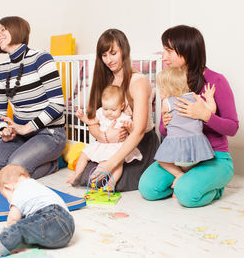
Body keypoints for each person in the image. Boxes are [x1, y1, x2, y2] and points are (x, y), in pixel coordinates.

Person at [138, 25, 239, 207]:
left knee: (186, 195)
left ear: (186, 50)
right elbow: (167, 133)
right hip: (179, 156)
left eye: (169, 51)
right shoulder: (170, 83)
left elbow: (232, 127)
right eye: (164, 50)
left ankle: (214, 188)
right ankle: (185, 181)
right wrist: (165, 123)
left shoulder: (216, 81)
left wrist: (205, 115)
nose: (164, 56)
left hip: (214, 157)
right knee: (148, 188)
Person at [0, 16, 66, 179]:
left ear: (17, 29)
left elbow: (57, 105)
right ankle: (32, 161)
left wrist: (28, 127)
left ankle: (54, 164)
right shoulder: (0, 71)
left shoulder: (41, 58)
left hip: (49, 133)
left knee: (15, 167)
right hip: (19, 134)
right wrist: (3, 130)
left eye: (2, 29)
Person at [75, 29, 160, 192]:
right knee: (88, 178)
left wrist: (110, 163)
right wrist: (103, 136)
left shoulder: (138, 82)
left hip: (138, 144)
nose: (108, 60)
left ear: (124, 51)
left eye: (113, 53)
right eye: (104, 55)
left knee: (110, 178)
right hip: (111, 142)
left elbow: (139, 131)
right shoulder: (106, 80)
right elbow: (93, 118)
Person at [0, 164, 75, 257]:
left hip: (52, 220)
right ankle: (6, 236)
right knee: (29, 228)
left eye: (6, 197)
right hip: (68, 227)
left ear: (8, 187)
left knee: (19, 227)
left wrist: (8, 232)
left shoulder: (18, 191)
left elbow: (13, 220)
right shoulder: (35, 186)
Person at [66, 85, 142, 187]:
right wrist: (82, 117)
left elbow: (133, 132)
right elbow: (91, 122)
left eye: (113, 109)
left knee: (117, 164)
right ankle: (76, 175)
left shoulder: (124, 117)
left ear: (122, 106)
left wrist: (129, 127)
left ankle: (111, 183)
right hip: (101, 143)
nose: (109, 112)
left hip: (116, 146)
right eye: (106, 109)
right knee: (83, 155)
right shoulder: (101, 113)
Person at [153, 67, 216, 188]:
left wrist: (165, 117)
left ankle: (179, 175)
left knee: (162, 161)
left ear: (165, 90)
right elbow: (212, 110)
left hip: (177, 145)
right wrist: (209, 98)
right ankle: (187, 179)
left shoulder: (167, 102)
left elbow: (165, 118)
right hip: (196, 145)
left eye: (160, 89)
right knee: (194, 165)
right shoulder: (195, 97)